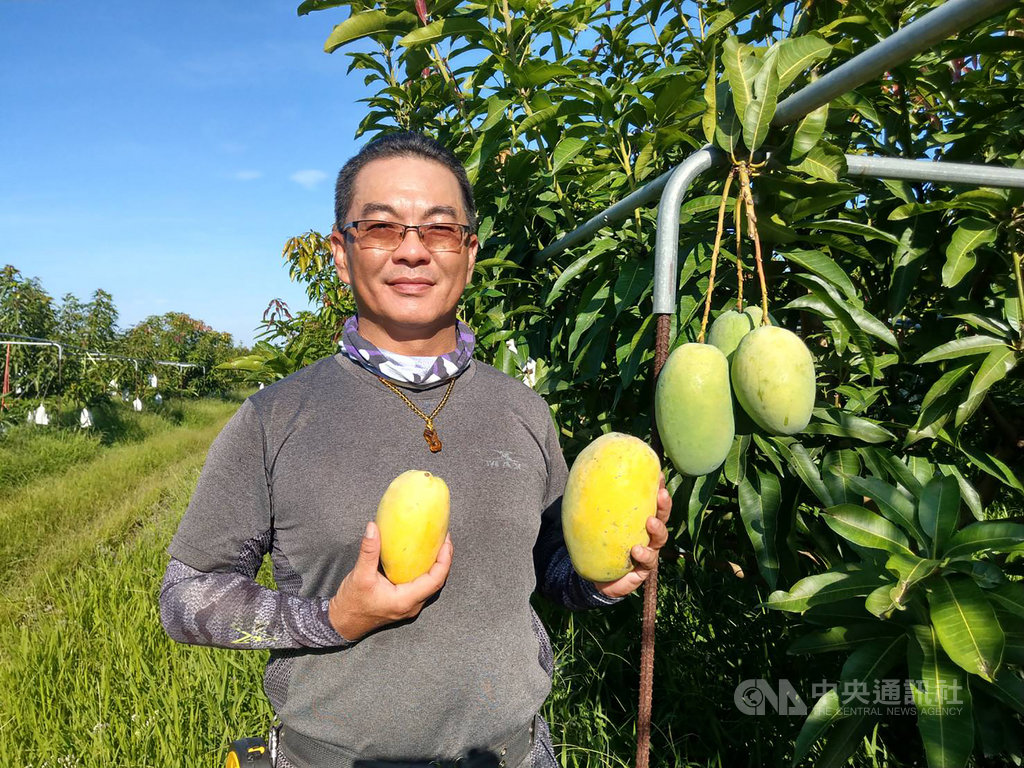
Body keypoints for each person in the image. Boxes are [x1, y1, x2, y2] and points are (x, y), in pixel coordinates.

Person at [159, 131, 672, 768]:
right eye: (380, 228)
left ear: (470, 252)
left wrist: (603, 581)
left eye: (439, 230)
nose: (412, 252)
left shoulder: (523, 411)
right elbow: (185, 597)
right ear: (342, 254)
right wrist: (332, 619)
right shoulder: (276, 418)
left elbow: (547, 569)